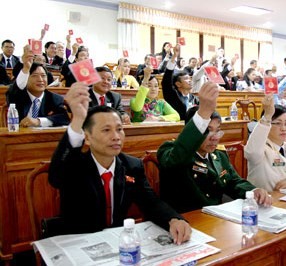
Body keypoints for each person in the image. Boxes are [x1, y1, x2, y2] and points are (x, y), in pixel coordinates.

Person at [48, 85, 191, 245]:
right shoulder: (75, 165)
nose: (116, 137)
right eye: (106, 130)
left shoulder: (132, 165)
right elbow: (56, 177)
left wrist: (173, 219)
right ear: (87, 138)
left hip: (116, 241)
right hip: (78, 242)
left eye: (119, 129)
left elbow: (150, 201)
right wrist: (77, 122)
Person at [157, 82, 272, 213]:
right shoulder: (169, 151)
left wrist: (253, 191)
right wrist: (203, 113)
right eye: (207, 130)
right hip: (185, 222)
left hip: (215, 219)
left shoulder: (219, 155)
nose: (215, 137)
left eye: (217, 131)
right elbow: (176, 158)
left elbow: (233, 182)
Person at [6, 47, 69, 127]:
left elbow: (64, 118)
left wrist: (39, 121)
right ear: (26, 78)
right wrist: (26, 68)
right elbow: (15, 89)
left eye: (43, 76)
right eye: (35, 76)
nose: (40, 80)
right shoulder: (18, 96)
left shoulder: (54, 98)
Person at [162, 44, 199, 121]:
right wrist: (174, 56)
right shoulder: (173, 95)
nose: (189, 80)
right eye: (186, 79)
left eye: (189, 78)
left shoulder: (194, 97)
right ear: (178, 84)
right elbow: (166, 81)